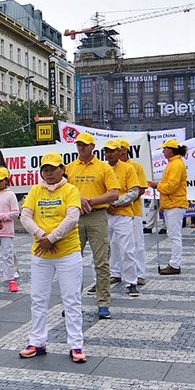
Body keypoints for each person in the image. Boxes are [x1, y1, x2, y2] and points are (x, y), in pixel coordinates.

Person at [18, 152, 85, 362]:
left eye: (53, 169)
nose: (49, 173)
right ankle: (37, 342)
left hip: (68, 252)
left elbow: (72, 217)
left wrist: (53, 238)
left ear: (62, 169)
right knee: (38, 298)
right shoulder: (35, 190)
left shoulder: (70, 190)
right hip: (41, 252)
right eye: (45, 169)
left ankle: (76, 345)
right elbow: (25, 216)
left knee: (71, 300)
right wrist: (41, 236)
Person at [66, 132, 119, 320]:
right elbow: (62, 190)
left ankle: (103, 302)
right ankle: (72, 302)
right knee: (72, 262)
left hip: (97, 216)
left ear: (92, 147)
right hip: (75, 217)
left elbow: (114, 194)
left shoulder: (104, 168)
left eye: (85, 145)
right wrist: (78, 200)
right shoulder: (70, 168)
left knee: (102, 261)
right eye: (79, 145)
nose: (81, 148)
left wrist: (91, 201)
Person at [105, 140, 143, 291]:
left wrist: (116, 203)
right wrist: (107, 204)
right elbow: (97, 191)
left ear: (119, 152)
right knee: (104, 249)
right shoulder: (103, 168)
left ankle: (131, 282)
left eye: (113, 151)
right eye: (107, 151)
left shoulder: (129, 168)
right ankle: (102, 280)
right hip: (106, 214)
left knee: (127, 249)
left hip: (124, 213)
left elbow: (134, 191)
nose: (110, 154)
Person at [148, 140, 189, 275]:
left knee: (174, 235)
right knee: (173, 235)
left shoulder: (176, 165)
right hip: (172, 204)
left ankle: (175, 264)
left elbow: (171, 187)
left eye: (164, 149)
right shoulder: (173, 163)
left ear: (170, 150)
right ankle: (174, 263)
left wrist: (156, 185)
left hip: (175, 204)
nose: (162, 151)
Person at [116, 139, 148, 285]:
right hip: (114, 212)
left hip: (133, 210)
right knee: (114, 244)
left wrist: (126, 200)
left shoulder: (135, 167)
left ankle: (140, 273)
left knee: (137, 244)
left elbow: (141, 188)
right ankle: (115, 273)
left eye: (121, 148)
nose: (118, 151)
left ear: (125, 150)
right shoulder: (110, 167)